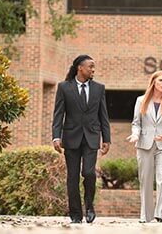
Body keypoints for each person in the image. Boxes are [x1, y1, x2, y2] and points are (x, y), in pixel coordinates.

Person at [52, 55, 111, 224]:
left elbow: (103, 115)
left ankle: (89, 206)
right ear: (80, 68)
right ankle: (76, 214)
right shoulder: (64, 87)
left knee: (89, 173)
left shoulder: (99, 88)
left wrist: (106, 139)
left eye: (94, 67)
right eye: (90, 66)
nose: (93, 70)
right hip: (71, 137)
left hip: (92, 137)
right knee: (72, 177)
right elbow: (58, 114)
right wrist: (56, 136)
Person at [126, 70, 162, 223]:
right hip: (144, 144)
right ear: (154, 82)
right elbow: (136, 123)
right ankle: (146, 216)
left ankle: (160, 214)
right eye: (161, 80)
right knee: (146, 180)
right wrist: (135, 134)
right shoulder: (141, 101)